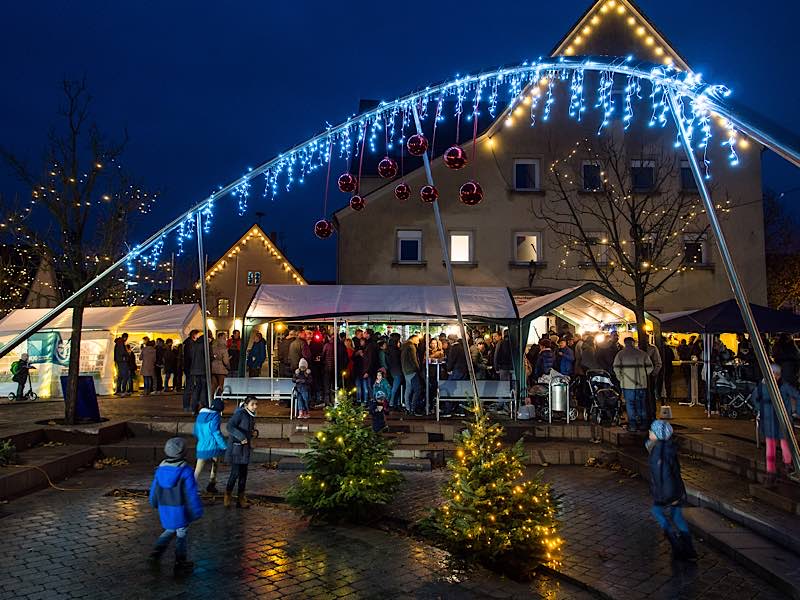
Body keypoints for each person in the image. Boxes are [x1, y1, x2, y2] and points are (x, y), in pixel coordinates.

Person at [148, 437, 204, 573]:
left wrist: (154, 502)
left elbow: (154, 489)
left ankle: (156, 552)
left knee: (170, 529)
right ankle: (180, 561)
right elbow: (191, 493)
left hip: (165, 507)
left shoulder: (160, 469)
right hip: (180, 508)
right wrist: (196, 510)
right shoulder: (185, 470)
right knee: (181, 533)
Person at [646, 420, 697, 561]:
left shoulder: (658, 453)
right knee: (677, 517)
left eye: (652, 430)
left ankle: (676, 545)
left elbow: (663, 475)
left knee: (658, 512)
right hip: (676, 490)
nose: (649, 432)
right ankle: (689, 550)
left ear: (658, 435)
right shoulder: (667, 448)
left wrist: (663, 496)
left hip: (667, 493)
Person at [751, 364, 799, 486]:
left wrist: (796, 412)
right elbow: (755, 399)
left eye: (777, 374)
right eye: (774, 374)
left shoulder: (767, 386)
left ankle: (784, 465)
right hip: (772, 420)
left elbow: (755, 398)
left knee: (782, 443)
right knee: (773, 445)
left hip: (777, 420)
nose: (776, 376)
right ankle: (773, 469)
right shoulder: (767, 386)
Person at [613, 337, 654, 432]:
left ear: (625, 343)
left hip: (627, 384)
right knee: (641, 404)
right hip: (641, 384)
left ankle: (633, 425)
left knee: (630, 405)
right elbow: (650, 368)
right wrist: (643, 375)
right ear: (633, 342)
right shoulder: (643, 354)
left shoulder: (620, 354)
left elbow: (616, 368)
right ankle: (643, 424)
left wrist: (621, 378)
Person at [225, 396, 258, 508]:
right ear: (246, 405)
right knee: (235, 474)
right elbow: (229, 426)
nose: (255, 406)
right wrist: (241, 437)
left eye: (256, 404)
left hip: (245, 449)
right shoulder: (240, 414)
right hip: (237, 449)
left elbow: (249, 429)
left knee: (243, 475)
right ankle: (227, 496)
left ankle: (240, 499)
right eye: (252, 404)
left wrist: (254, 433)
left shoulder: (251, 416)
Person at [193, 398, 227, 493]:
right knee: (215, 465)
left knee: (198, 469)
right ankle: (211, 484)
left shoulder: (200, 416)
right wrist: (223, 445)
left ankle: (190, 487)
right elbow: (216, 432)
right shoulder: (215, 416)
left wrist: (202, 439)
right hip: (213, 445)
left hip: (202, 446)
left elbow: (195, 431)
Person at [401, 334, 421, 414]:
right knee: (417, 389)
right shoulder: (411, 347)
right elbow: (414, 359)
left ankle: (407, 407)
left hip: (405, 371)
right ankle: (413, 408)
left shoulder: (404, 346)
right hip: (411, 371)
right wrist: (418, 368)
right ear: (414, 339)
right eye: (418, 340)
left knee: (408, 390)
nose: (418, 341)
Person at [189, 332, 208, 413]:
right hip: (203, 370)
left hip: (194, 370)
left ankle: (193, 407)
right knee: (203, 388)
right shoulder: (204, 346)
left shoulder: (193, 345)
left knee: (196, 389)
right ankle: (203, 406)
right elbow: (208, 357)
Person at [182, 330, 198, 412]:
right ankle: (187, 406)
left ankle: (187, 405)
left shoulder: (187, 343)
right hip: (191, 368)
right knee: (190, 387)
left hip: (188, 368)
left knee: (189, 387)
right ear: (194, 335)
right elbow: (192, 357)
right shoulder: (191, 344)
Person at [387, 333, 404, 410]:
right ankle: (391, 403)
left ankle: (394, 403)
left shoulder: (389, 349)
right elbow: (398, 361)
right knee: (395, 388)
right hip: (397, 370)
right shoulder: (396, 350)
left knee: (395, 387)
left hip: (392, 370)